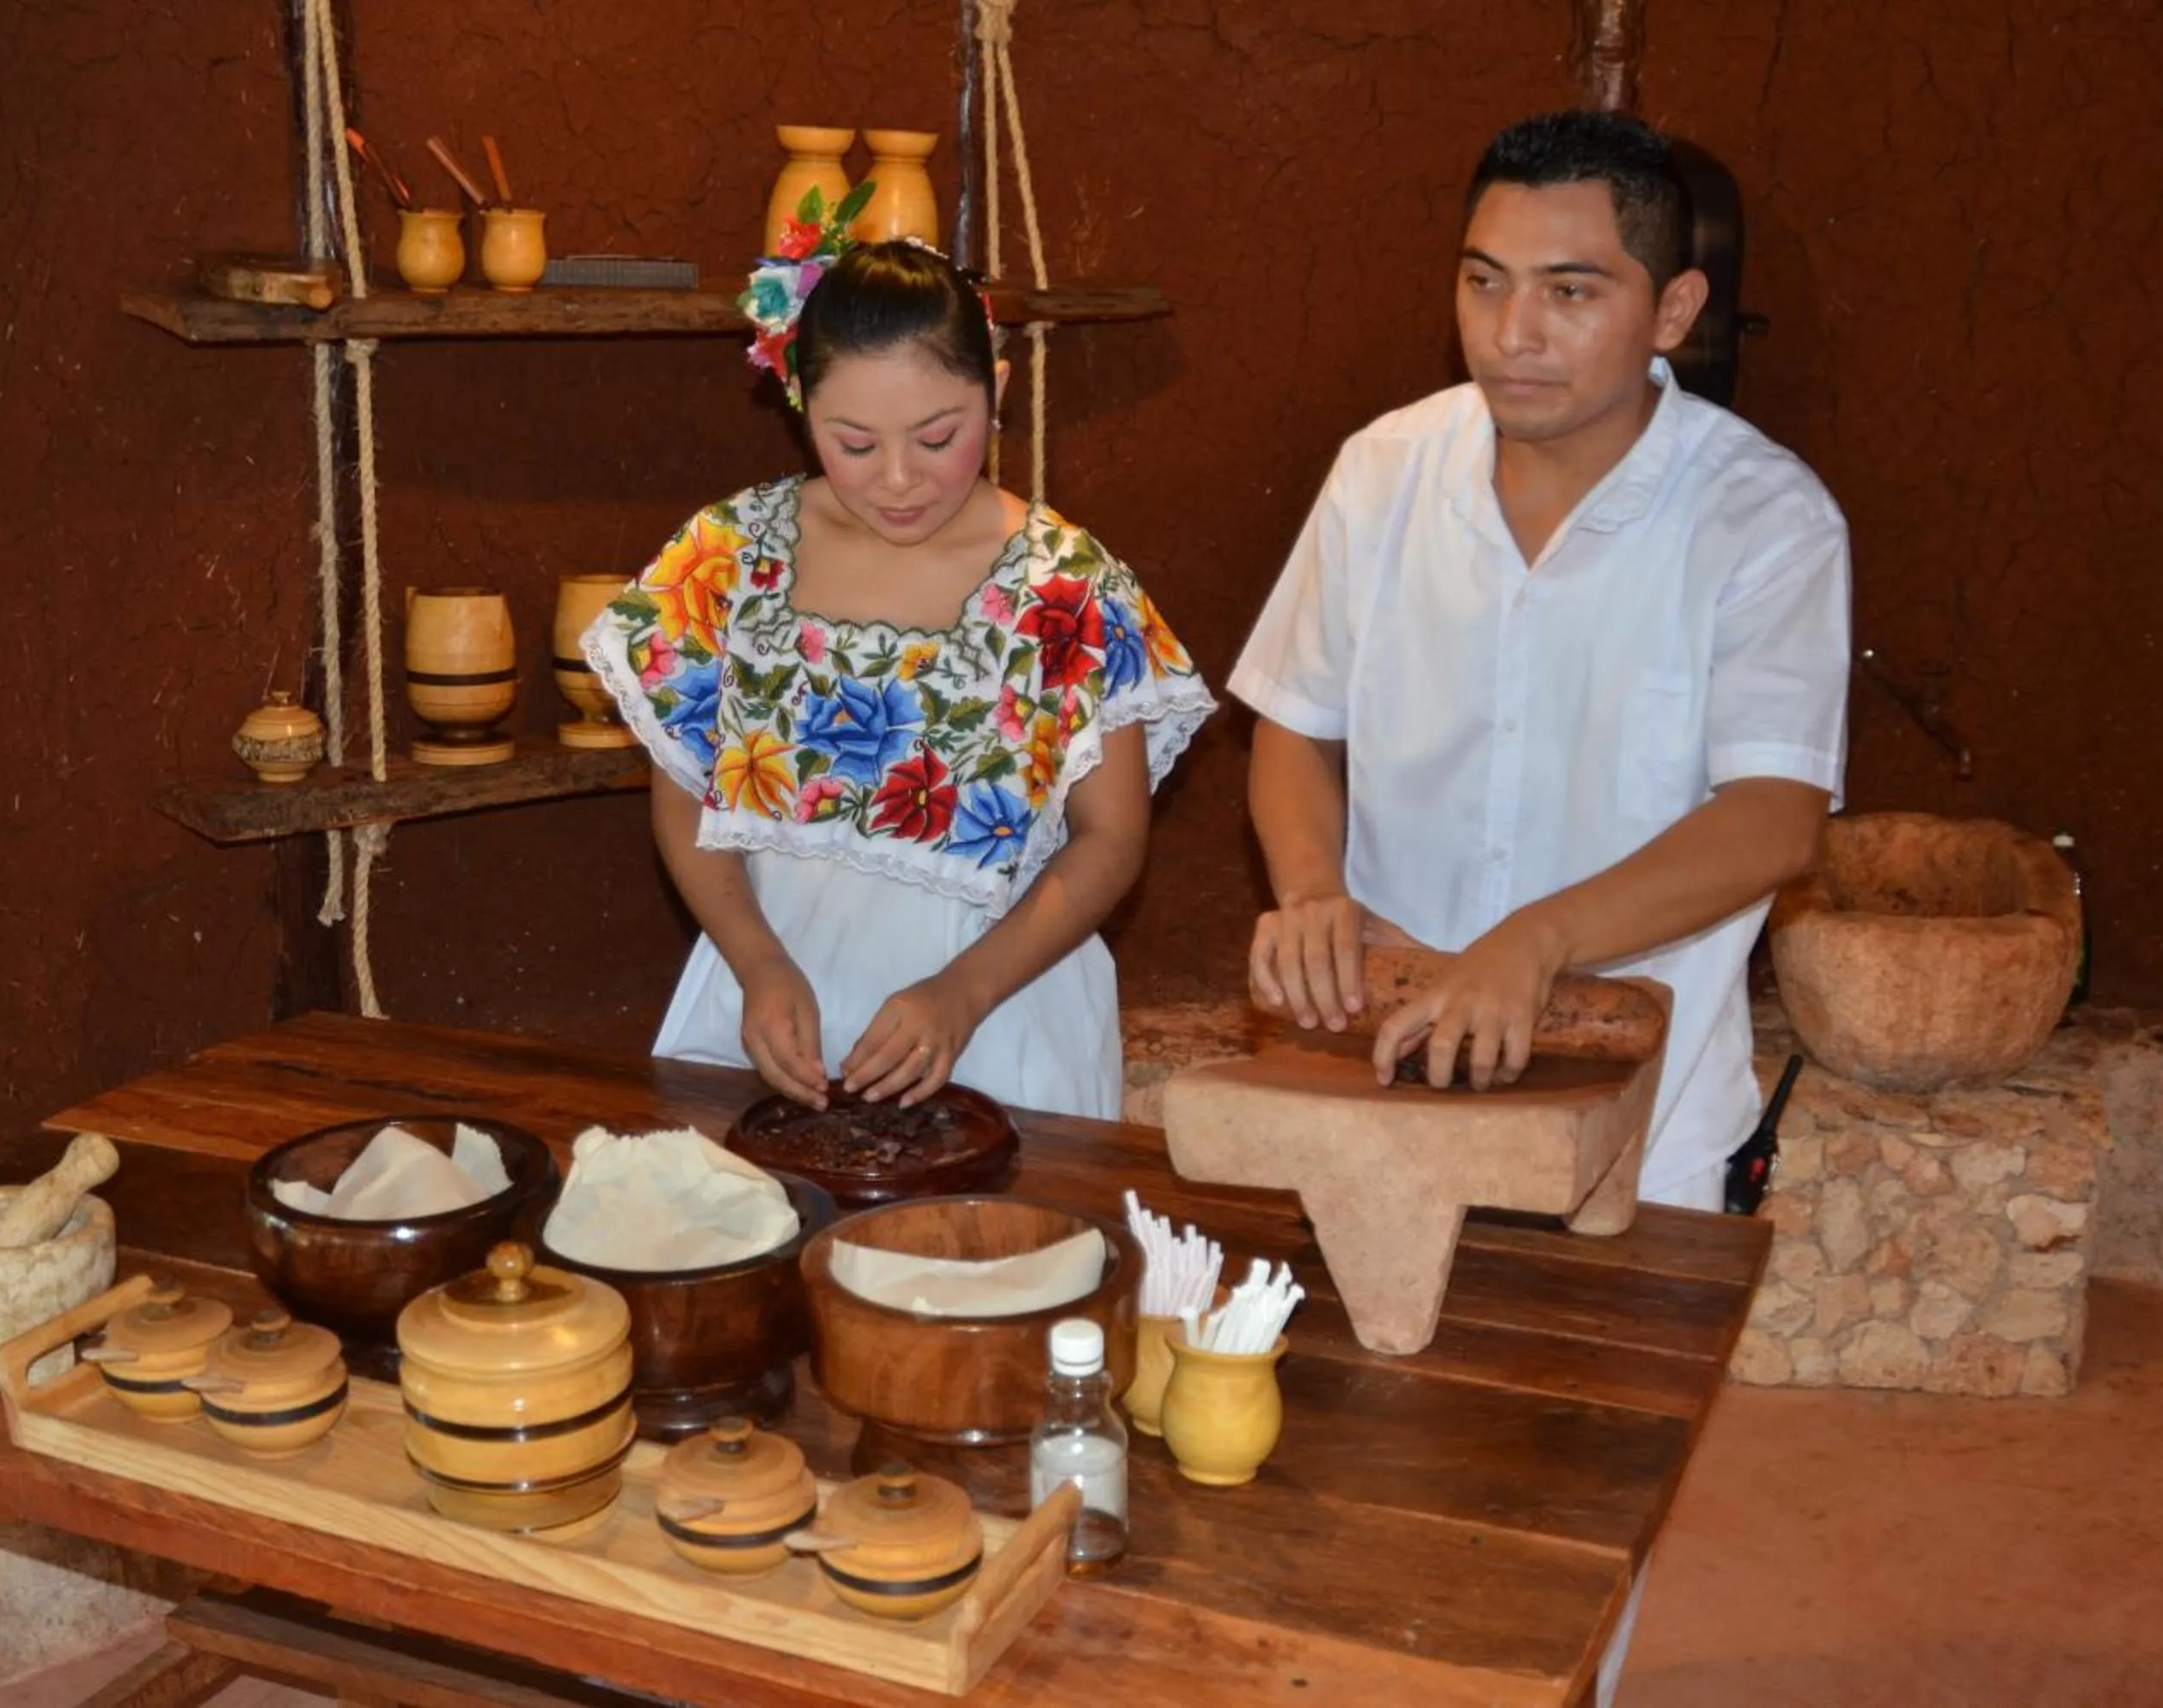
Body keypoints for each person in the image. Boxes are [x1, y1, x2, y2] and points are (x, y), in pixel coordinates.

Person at [1232, 107, 1849, 1703]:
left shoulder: (1763, 517)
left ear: (1677, 310)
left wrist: (1541, 934)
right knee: (1348, 1463)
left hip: (1635, 1102)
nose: (1517, 331)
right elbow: (1294, 722)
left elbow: (1775, 815)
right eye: (1486, 279)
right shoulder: (1388, 470)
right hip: (1377, 1072)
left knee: (1571, 1510)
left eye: (1573, 289)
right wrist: (1313, 886)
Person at [584, 232, 1213, 1121]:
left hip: (1000, 1024)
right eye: (853, 442)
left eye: (937, 435)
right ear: (798, 403)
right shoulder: (727, 558)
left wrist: (964, 989)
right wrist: (756, 959)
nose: (899, 478)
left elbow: (1110, 837)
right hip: (768, 1014)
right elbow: (684, 797)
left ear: (998, 388)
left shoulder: (1067, 589)